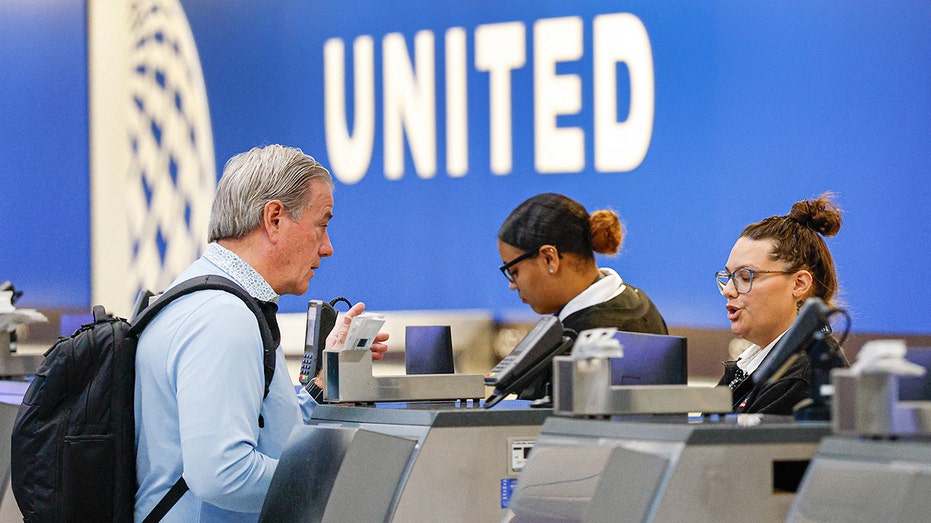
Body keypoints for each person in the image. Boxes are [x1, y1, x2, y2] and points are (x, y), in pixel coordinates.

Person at [134, 144, 388, 522]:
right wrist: (337, 478)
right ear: (274, 219)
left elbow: (266, 430)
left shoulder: (206, 297)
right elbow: (222, 475)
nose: (328, 247)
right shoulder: (222, 317)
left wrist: (321, 383)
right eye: (322, 224)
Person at [497, 193, 668, 399]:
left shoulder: (579, 343)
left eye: (514, 271)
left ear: (550, 258)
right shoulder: (641, 304)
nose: (512, 285)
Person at [716, 192, 847, 415]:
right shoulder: (755, 365)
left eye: (745, 277)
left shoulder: (801, 379)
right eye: (728, 277)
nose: (728, 291)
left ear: (799, 284)